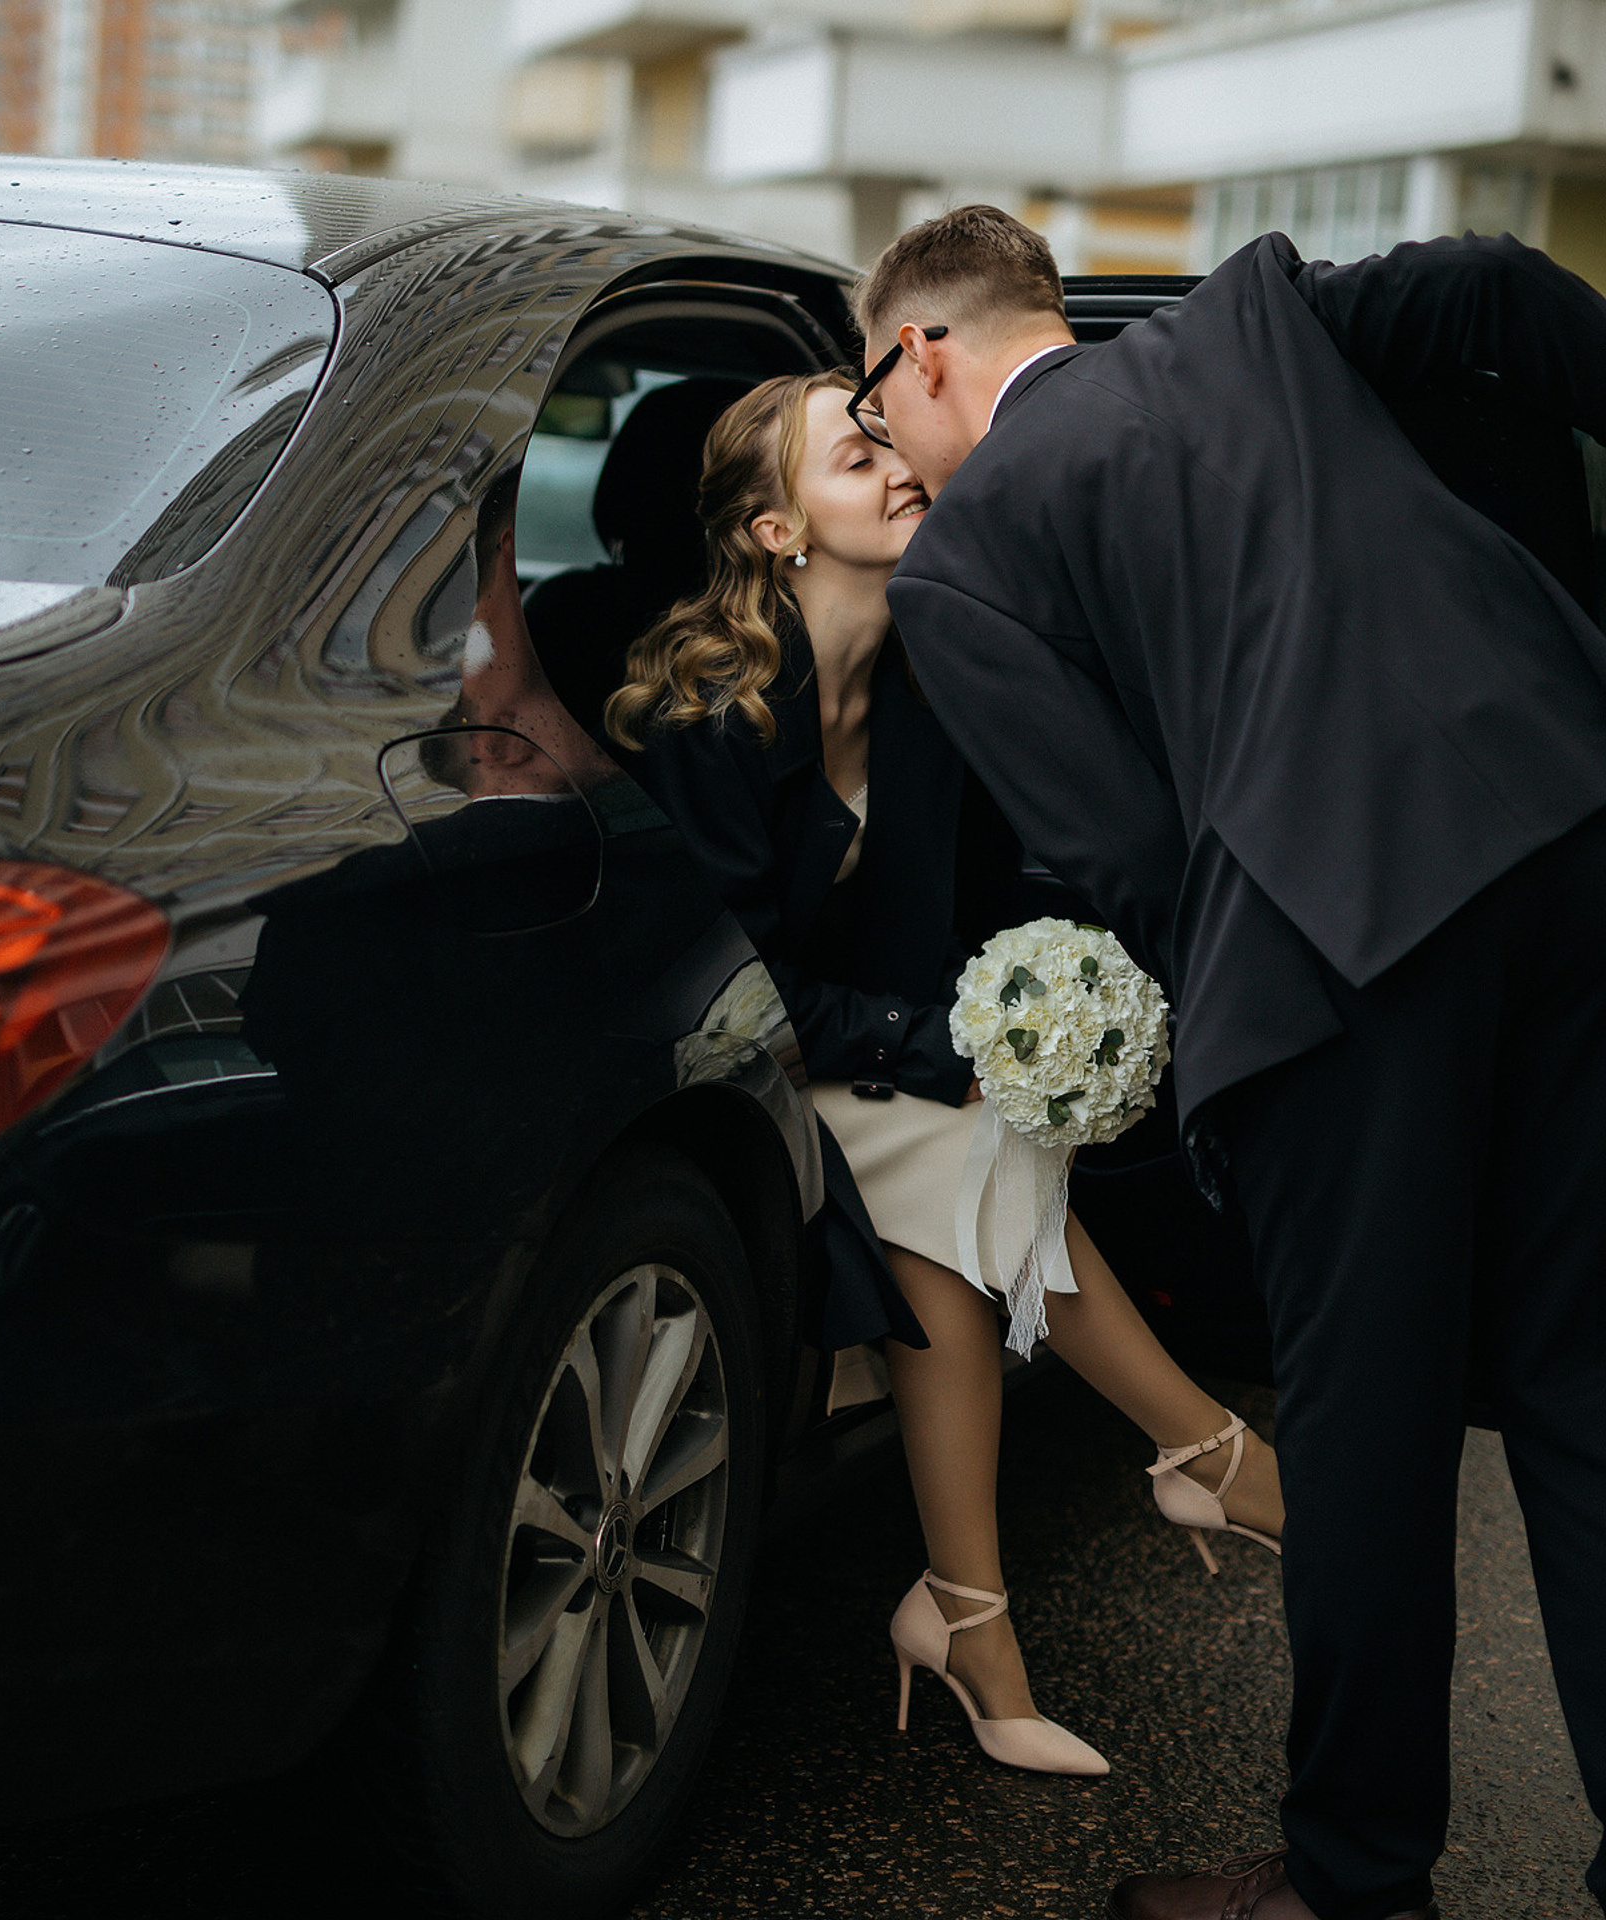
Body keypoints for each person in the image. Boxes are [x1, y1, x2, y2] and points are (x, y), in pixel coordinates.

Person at [862, 204, 1606, 1919]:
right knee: (1583, 1382)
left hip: (1342, 951)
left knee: (1366, 1441)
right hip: (1572, 826)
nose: (887, 448)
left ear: (923, 352)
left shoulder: (961, 568)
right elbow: (1496, 287)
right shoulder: (1259, 308)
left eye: (873, 402)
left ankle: (1352, 1882)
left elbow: (1125, 853)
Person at [607, 370, 1285, 1781]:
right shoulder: (705, 716)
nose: (899, 466)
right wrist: (943, 1048)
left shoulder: (919, 685)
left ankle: (974, 1617)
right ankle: (1211, 1458)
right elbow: (737, 990)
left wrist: (1016, 1024)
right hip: (710, 1075)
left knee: (955, 1215)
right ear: (779, 530)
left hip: (840, 1059)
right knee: (978, 1148)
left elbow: (946, 925)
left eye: (890, 442)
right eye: (855, 461)